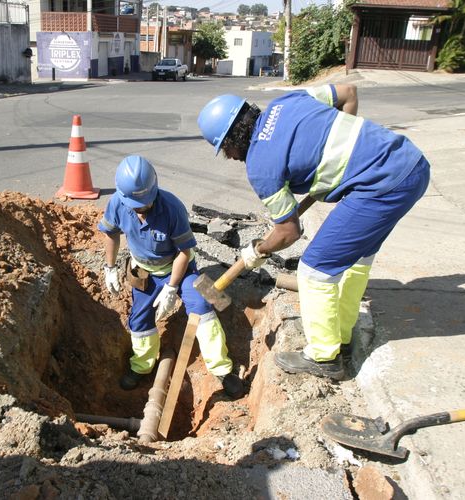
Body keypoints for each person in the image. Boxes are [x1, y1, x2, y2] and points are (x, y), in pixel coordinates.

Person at [197, 84, 430, 381]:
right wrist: (337, 166)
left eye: (224, 149)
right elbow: (348, 92)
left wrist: (258, 250)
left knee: (314, 270)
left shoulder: (261, 166)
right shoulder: (287, 102)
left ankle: (323, 357)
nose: (229, 157)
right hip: (410, 163)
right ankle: (342, 338)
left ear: (231, 140)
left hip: (381, 185)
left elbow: (288, 231)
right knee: (357, 259)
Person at [98, 155, 244, 398]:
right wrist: (110, 267)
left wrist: (171, 288)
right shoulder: (117, 203)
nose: (141, 210)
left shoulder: (172, 207)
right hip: (143, 268)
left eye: (144, 204)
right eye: (135, 205)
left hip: (181, 267)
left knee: (202, 306)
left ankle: (222, 370)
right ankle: (142, 366)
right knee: (140, 317)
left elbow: (184, 252)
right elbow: (111, 234)